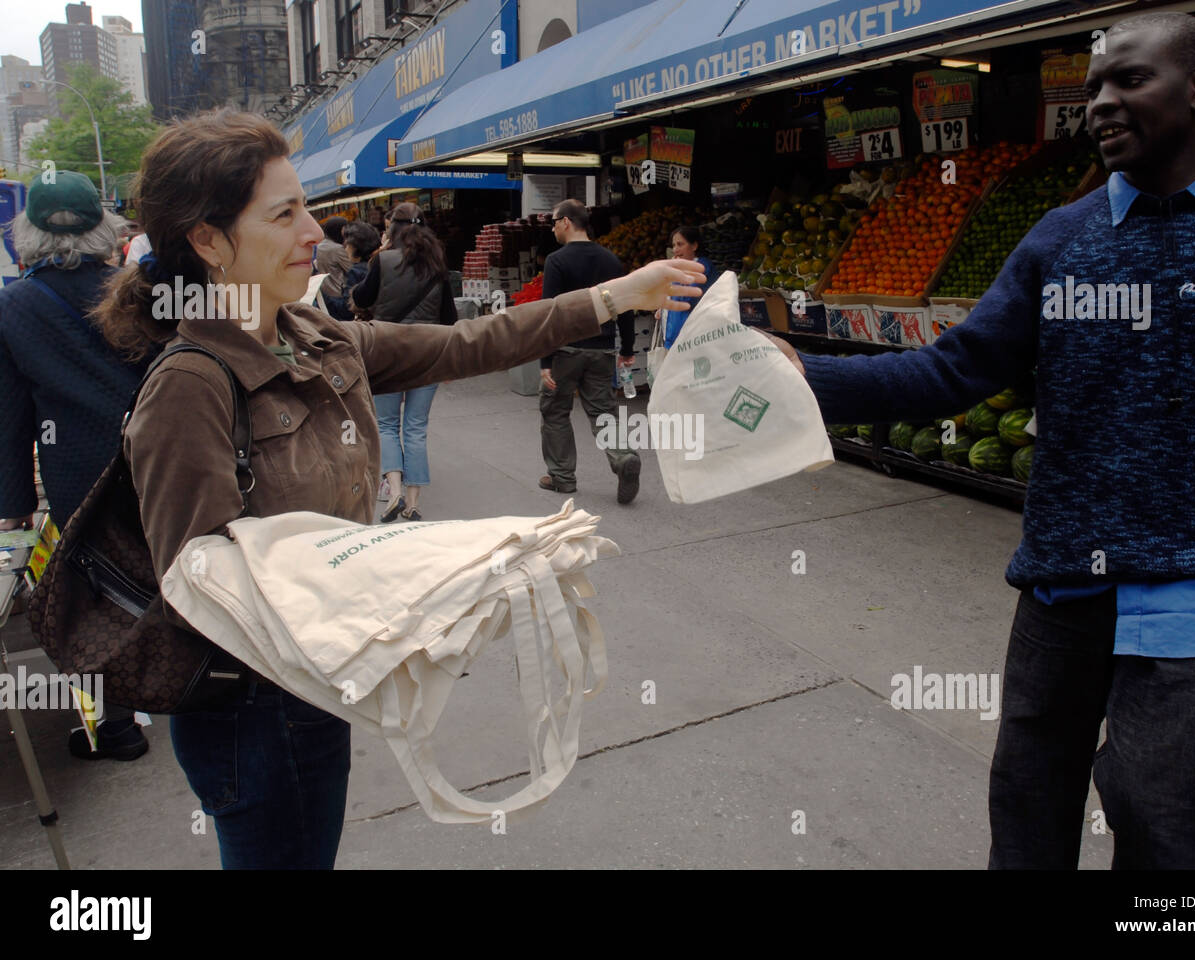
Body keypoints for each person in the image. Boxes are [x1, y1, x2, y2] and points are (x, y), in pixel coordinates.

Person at [89, 108, 703, 869]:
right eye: (283, 215)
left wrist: (614, 297)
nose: (313, 232)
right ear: (208, 241)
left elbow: (466, 341)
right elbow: (207, 590)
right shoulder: (190, 384)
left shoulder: (315, 333)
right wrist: (422, 567)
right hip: (251, 712)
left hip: (317, 690)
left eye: (304, 207)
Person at [765, 12, 1195, 870]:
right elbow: (953, 371)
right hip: (1063, 574)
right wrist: (799, 379)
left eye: (1131, 81)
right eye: (1092, 89)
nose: (1103, 104)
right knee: (1026, 793)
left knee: (1161, 807)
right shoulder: (1061, 236)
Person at [0, 170, 151, 761]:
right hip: (155, 457)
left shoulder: (13, 306)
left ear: (28, 233)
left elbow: (9, 416)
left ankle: (115, 727)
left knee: (91, 598)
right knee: (170, 568)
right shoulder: (137, 289)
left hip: (74, 475)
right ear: (103, 227)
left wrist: (12, 507)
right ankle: (194, 683)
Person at [349, 201, 455, 522]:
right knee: (416, 428)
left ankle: (393, 491)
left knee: (386, 424)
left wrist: (375, 261)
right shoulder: (438, 265)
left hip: (387, 352)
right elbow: (449, 317)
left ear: (392, 228)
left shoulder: (383, 261)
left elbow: (361, 299)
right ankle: (413, 502)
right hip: (428, 354)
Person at [538, 199, 640, 504]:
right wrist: (628, 347)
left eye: (554, 221)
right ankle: (623, 459)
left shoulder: (556, 261)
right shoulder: (611, 260)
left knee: (555, 411)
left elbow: (551, 312)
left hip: (566, 351)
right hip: (603, 349)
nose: (553, 228)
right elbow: (624, 306)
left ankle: (561, 477)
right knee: (603, 413)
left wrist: (545, 360)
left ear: (567, 222)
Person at [659, 225, 715, 349]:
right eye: (673, 245)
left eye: (680, 244)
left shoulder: (702, 267)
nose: (675, 250)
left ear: (694, 246)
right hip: (674, 339)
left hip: (691, 341)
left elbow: (685, 297)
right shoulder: (680, 269)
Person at [320, 220, 380, 321]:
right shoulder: (377, 263)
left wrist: (322, 295)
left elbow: (346, 309)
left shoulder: (356, 272)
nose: (345, 249)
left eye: (347, 245)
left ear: (355, 246)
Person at [314, 216, 350, 301]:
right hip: (339, 293)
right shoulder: (337, 249)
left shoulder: (320, 246)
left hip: (326, 293)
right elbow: (352, 269)